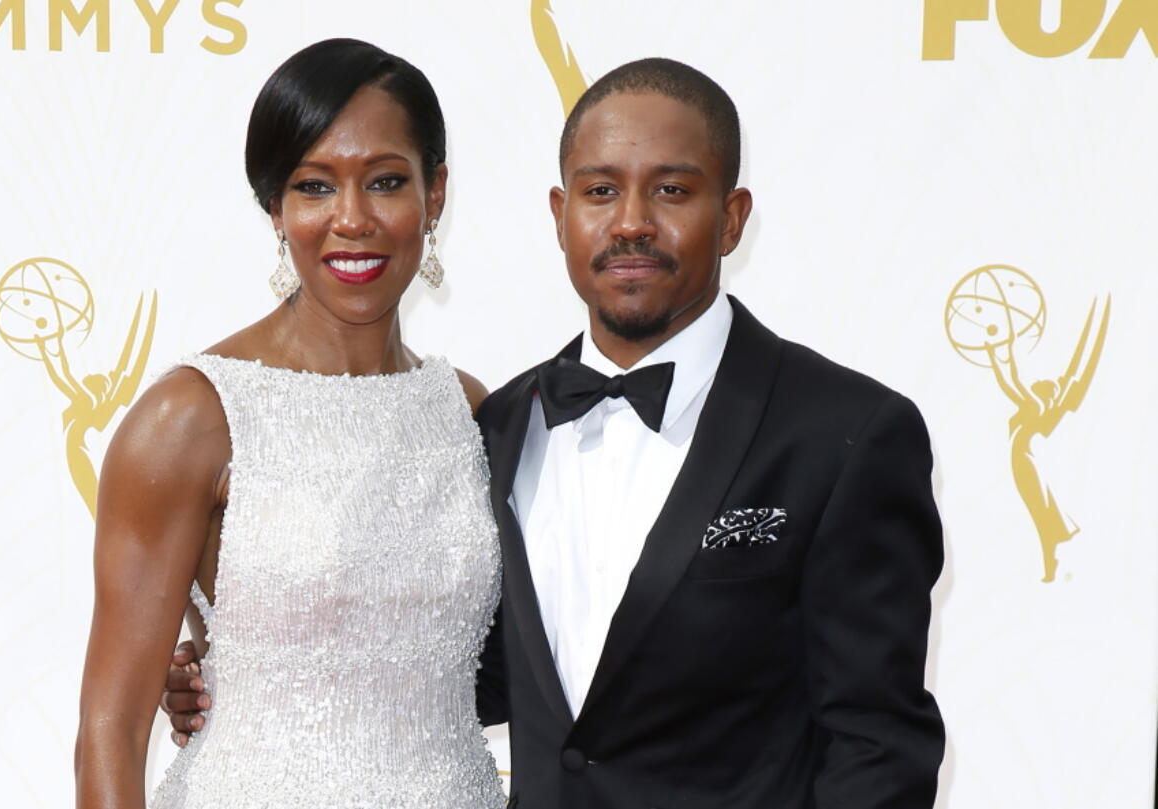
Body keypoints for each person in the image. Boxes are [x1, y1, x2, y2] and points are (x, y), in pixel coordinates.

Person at [167, 58, 946, 808]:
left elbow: (877, 748)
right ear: (561, 213)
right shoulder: (495, 424)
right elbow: (461, 667)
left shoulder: (846, 434)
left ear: (733, 217)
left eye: (672, 190)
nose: (632, 222)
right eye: (601, 191)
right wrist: (248, 676)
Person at [74, 39, 505, 809]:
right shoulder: (192, 418)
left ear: (435, 194)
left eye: (385, 182)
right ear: (275, 207)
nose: (352, 219)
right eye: (313, 186)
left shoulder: (472, 411)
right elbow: (109, 733)